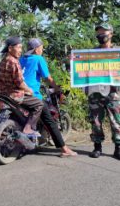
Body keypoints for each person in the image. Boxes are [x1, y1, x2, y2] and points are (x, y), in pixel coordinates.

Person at [20, 38, 77, 157]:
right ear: (36, 49)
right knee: (50, 121)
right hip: (32, 95)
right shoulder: (38, 59)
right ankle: (64, 149)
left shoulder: (22, 59)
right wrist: (57, 88)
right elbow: (48, 78)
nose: (42, 49)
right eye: (41, 47)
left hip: (18, 94)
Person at [84, 23, 120, 160]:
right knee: (95, 121)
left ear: (111, 34)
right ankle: (97, 147)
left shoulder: (117, 52)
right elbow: (83, 71)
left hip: (113, 92)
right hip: (95, 92)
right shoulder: (91, 53)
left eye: (103, 32)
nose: (100, 35)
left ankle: (118, 148)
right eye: (98, 32)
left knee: (116, 121)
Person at [0, 36, 43, 137]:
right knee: (39, 104)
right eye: (18, 48)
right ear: (10, 48)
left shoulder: (3, 61)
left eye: (21, 48)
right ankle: (28, 128)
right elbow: (20, 83)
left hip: (2, 96)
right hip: (14, 96)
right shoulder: (14, 62)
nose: (20, 51)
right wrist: (29, 90)